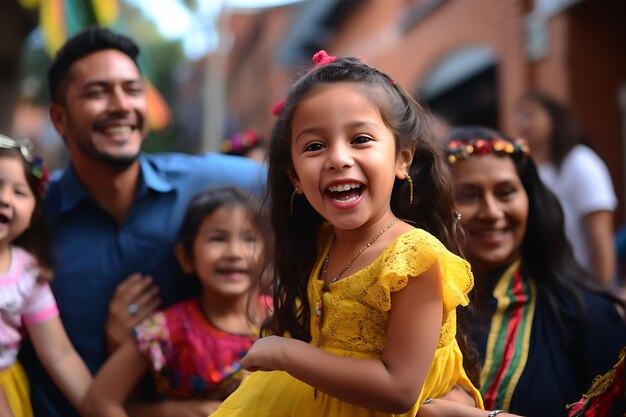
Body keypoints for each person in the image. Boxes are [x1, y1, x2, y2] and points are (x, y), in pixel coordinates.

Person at [207, 50, 483, 417]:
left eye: (361, 139)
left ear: (403, 158)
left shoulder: (415, 257)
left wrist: (285, 352)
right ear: (295, 179)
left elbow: (399, 389)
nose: (338, 158)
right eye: (315, 146)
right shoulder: (323, 239)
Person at [19, 27, 265, 417]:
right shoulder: (28, 218)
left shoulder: (213, 183)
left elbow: (304, 179)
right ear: (60, 119)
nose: (121, 105)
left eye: (133, 90)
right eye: (97, 93)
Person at [444, 126, 626, 417]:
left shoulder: (589, 317)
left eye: (506, 192)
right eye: (467, 194)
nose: (491, 212)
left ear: (530, 199)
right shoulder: (405, 307)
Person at [83, 186, 269, 416]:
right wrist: (169, 411)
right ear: (186, 257)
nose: (234, 252)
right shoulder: (166, 331)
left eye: (249, 239)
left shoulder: (287, 316)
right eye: (217, 239)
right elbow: (98, 401)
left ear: (268, 252)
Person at [0, 135, 92, 416]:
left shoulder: (28, 273)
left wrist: (99, 408)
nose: (4, 198)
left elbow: (59, 355)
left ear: (34, 212)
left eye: (19, 192)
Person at [516, 91, 617, 285]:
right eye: (519, 116)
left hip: (582, 287)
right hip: (543, 289)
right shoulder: (525, 170)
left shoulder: (580, 162)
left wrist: (605, 292)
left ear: (554, 119)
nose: (523, 124)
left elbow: (601, 236)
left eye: (531, 115)